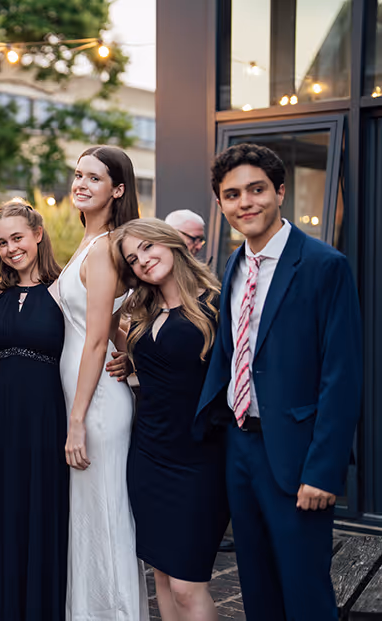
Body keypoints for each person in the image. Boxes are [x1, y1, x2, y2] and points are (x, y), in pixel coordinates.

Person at [195, 143, 362, 620]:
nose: (245, 202)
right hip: (241, 449)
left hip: (297, 455)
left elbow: (342, 375)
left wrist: (323, 470)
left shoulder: (325, 265)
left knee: (305, 591)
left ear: (280, 192)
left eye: (256, 190)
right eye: (232, 195)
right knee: (256, 585)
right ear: (221, 203)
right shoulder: (233, 265)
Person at [109, 218, 229, 621]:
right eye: (132, 257)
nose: (142, 260)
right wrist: (132, 359)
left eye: (147, 248)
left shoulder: (216, 303)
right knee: (161, 576)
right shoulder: (143, 310)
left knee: (186, 584)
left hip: (199, 459)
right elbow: (160, 361)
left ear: (171, 243)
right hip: (148, 454)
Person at [51, 145, 149, 620]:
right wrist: (126, 349)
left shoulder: (109, 247)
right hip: (80, 391)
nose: (81, 184)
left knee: (107, 518)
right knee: (86, 520)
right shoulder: (87, 246)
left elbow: (93, 342)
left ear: (118, 190)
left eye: (94, 177)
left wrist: (75, 420)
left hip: (95, 404)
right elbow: (110, 327)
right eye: (78, 175)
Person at [0, 199, 68, 621]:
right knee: (3, 508)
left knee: (43, 508)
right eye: (2, 242)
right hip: (0, 415)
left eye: (17, 238)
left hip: (46, 413)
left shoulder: (66, 288)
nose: (11, 248)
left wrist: (130, 358)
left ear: (38, 234)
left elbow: (110, 333)